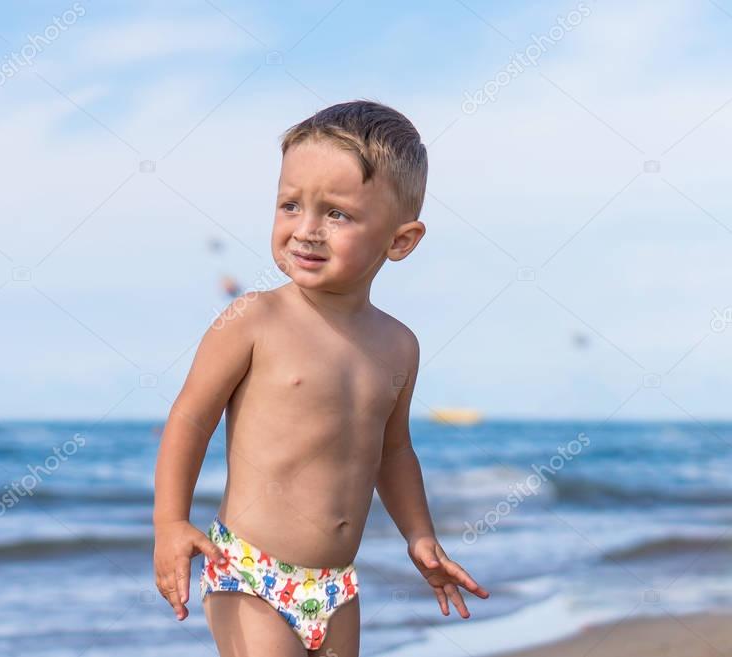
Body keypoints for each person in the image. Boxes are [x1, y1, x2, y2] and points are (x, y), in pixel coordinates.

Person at [152, 99, 489, 656]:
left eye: (336, 214)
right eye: (290, 205)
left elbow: (395, 451)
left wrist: (420, 534)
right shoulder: (254, 318)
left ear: (400, 241)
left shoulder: (399, 344)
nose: (306, 230)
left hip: (336, 587)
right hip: (250, 573)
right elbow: (190, 418)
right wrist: (170, 522)